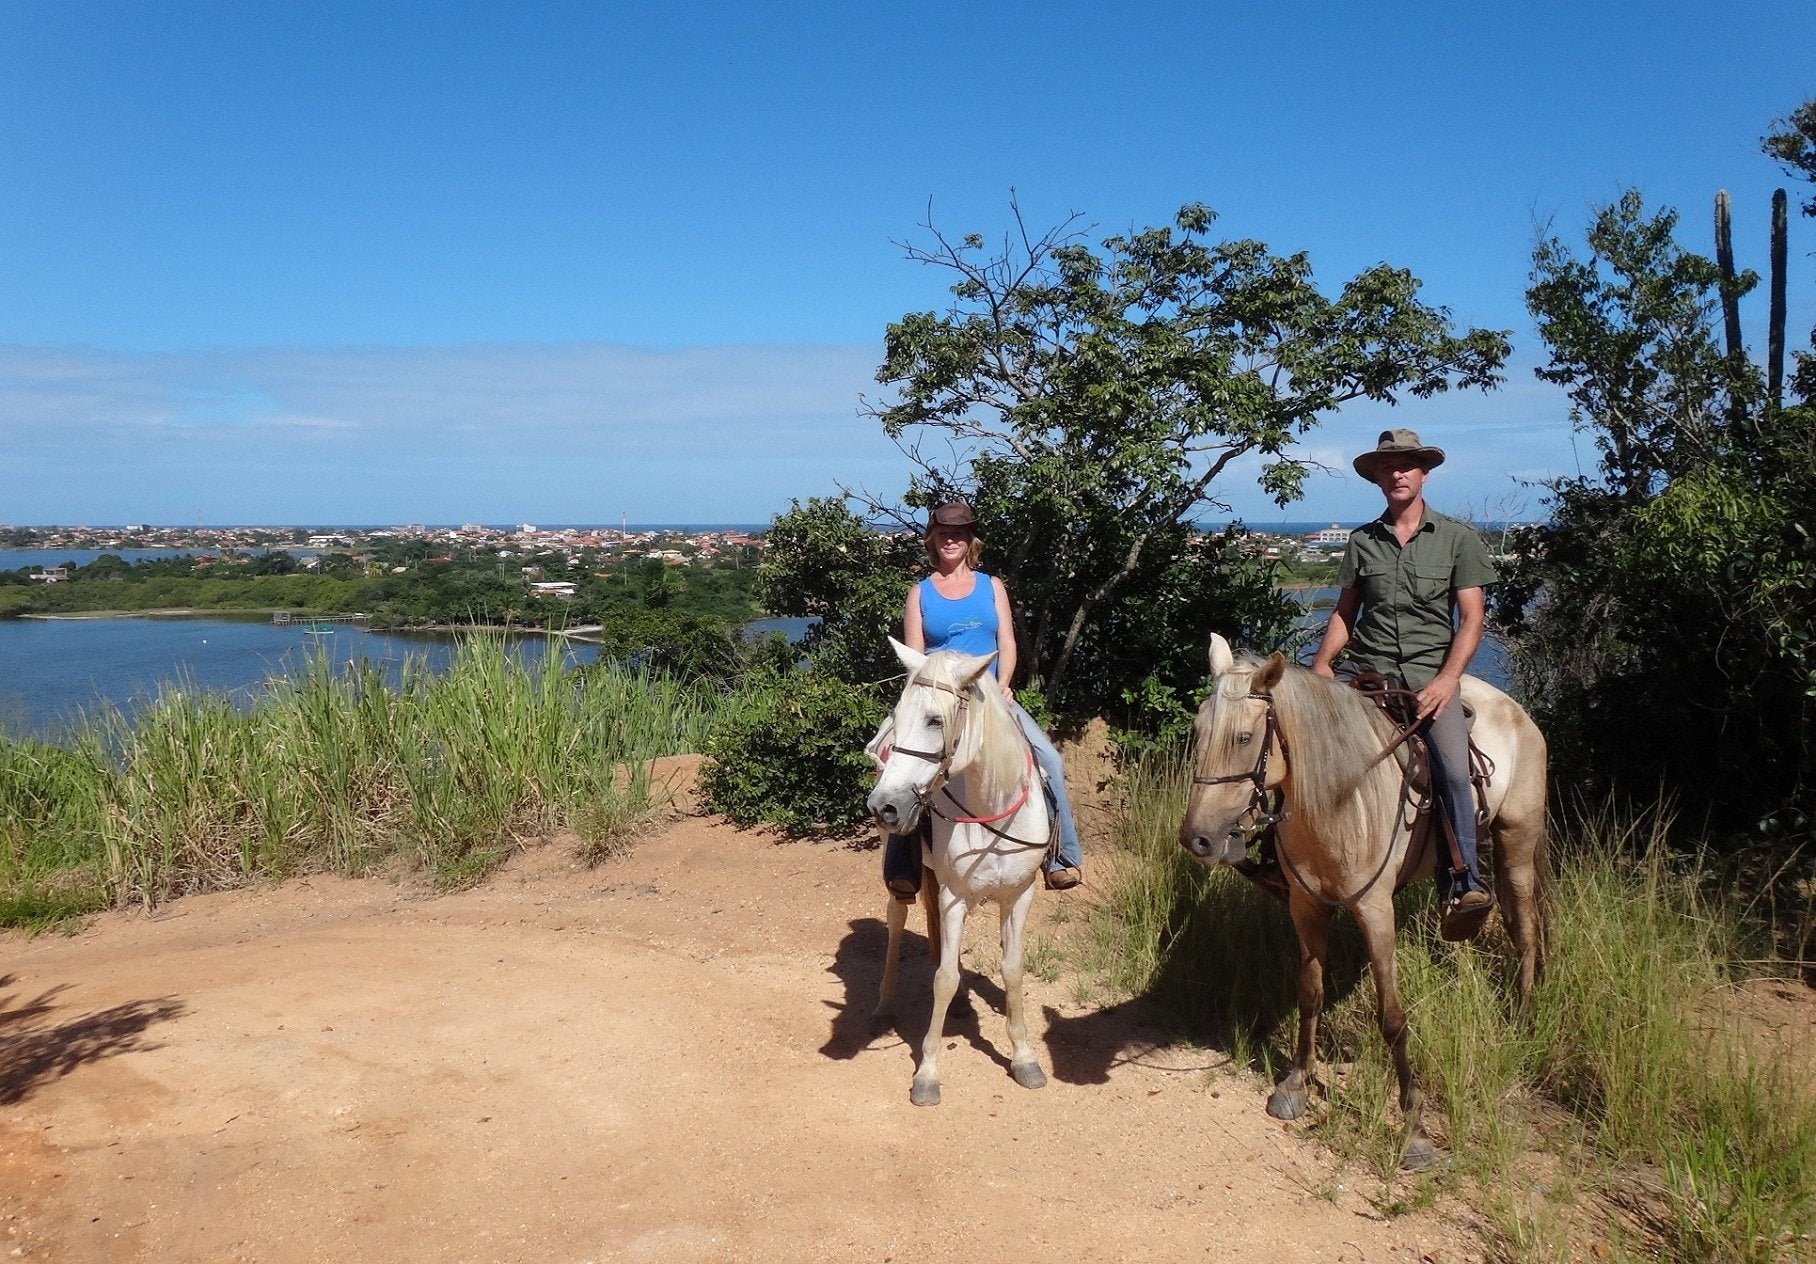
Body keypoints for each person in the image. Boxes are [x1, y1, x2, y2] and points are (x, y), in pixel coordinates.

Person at [1309, 429, 1498, 942]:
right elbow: (1346, 613)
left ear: (1423, 474)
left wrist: (1446, 681)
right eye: (1387, 468)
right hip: (1366, 672)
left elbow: (1472, 619)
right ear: (1376, 478)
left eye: (1407, 466)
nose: (1397, 474)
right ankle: (1292, 867)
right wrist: (1323, 665)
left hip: (1426, 677)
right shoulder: (1362, 542)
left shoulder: (1458, 539)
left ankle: (1464, 883)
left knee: (1454, 774)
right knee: (1302, 751)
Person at [881, 501, 1084, 896]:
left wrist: (1004, 683)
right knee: (895, 764)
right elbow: (916, 661)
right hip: (939, 700)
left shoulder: (992, 586)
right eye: (943, 533)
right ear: (933, 540)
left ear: (970, 540)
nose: (951, 540)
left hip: (990, 700)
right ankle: (903, 865)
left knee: (1050, 761)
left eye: (958, 533)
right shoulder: (918, 593)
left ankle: (1060, 856)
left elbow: (1006, 643)